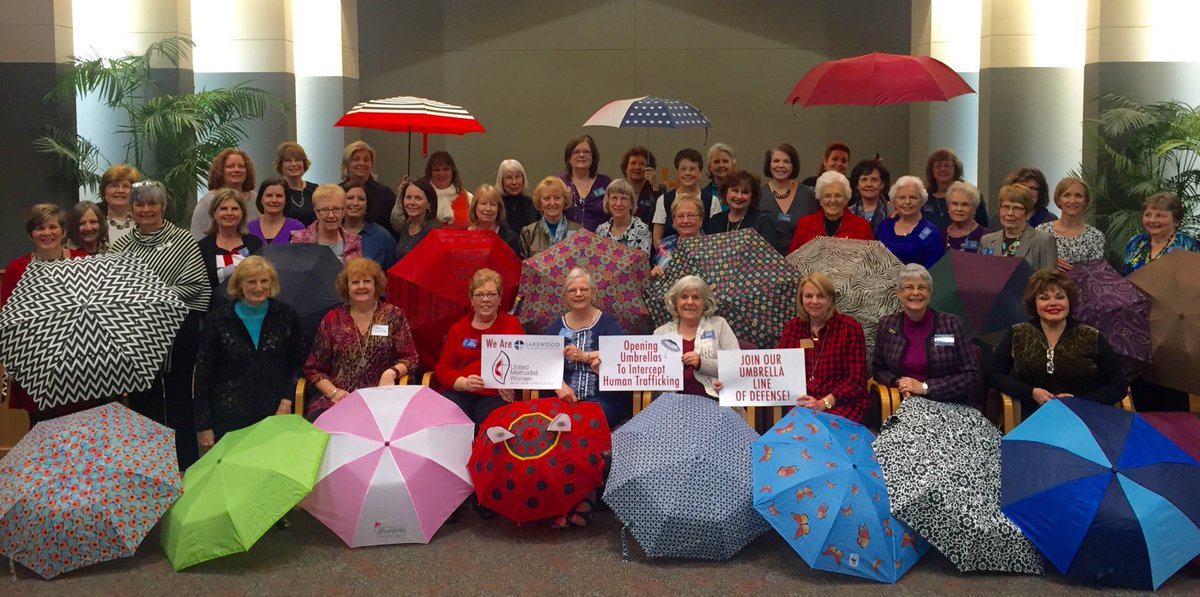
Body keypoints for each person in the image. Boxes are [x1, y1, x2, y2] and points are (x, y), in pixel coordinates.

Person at [112, 181, 210, 468]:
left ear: (163, 206)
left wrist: (150, 294)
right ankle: (151, 465)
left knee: (180, 394)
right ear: (132, 209)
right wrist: (147, 298)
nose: (146, 209)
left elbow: (195, 285)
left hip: (180, 328)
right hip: (137, 332)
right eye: (140, 204)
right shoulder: (121, 246)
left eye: (152, 203)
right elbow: (114, 290)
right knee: (144, 397)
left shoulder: (182, 240)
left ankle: (186, 464)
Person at [194, 256, 306, 448]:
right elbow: (204, 374)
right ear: (239, 284)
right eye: (251, 281)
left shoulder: (287, 315)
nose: (258, 287)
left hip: (276, 411)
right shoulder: (218, 319)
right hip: (229, 415)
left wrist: (286, 402)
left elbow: (297, 363)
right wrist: (203, 426)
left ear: (272, 283)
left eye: (264, 281)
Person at [988, 270, 1127, 415]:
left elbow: (1118, 385)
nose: (1053, 303)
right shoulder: (1018, 333)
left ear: (1069, 301)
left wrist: (1081, 402)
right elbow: (992, 374)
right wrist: (1031, 392)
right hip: (1033, 418)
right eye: (1044, 298)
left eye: (1060, 297)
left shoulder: (1090, 336)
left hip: (1083, 417)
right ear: (1034, 303)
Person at [1, 204, 90, 422]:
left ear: (63, 231)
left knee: (81, 428)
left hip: (79, 361)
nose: (47, 233)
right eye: (39, 228)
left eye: (53, 227)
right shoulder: (17, 269)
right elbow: (7, 317)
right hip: (36, 364)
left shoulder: (82, 261)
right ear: (31, 234)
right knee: (41, 426)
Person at [302, 258, 418, 420]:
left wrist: (391, 373)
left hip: (381, 398)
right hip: (339, 398)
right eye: (355, 282)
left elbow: (410, 358)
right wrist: (333, 392)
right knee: (322, 420)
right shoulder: (332, 319)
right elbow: (313, 368)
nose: (361, 286)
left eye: (367, 281)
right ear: (346, 287)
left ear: (376, 285)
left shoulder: (393, 315)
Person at [872, 264, 981, 405]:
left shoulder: (951, 324)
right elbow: (878, 370)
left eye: (922, 287)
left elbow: (971, 375)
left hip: (949, 404)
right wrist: (900, 383)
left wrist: (925, 387)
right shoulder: (887, 325)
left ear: (930, 293)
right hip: (904, 403)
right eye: (908, 287)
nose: (916, 293)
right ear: (898, 293)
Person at [774, 272, 868, 422]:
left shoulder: (850, 328)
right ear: (801, 299)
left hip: (841, 402)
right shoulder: (793, 327)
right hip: (802, 402)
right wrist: (800, 398)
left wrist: (824, 403)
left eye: (821, 296)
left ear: (830, 299)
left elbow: (855, 379)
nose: (814, 301)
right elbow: (779, 368)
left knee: (823, 432)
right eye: (809, 296)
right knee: (801, 430)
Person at [433, 268, 521, 424]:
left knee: (496, 420)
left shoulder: (511, 325)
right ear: (471, 299)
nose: (485, 299)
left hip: (496, 395)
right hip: (462, 392)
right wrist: (462, 383)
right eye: (479, 294)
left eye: (491, 294)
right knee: (446, 414)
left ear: (500, 298)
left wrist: (510, 383)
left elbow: (525, 363)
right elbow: (443, 368)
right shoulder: (458, 329)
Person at [545, 268, 628, 427]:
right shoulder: (557, 326)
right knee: (549, 422)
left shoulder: (608, 323)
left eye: (584, 289)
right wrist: (559, 386)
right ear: (565, 296)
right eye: (572, 290)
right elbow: (546, 363)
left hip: (602, 398)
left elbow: (620, 354)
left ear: (592, 292)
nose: (578, 294)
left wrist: (585, 356)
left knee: (583, 423)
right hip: (563, 397)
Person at [653, 275, 738, 399]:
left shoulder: (719, 325)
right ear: (675, 302)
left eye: (696, 297)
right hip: (670, 405)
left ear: (704, 303)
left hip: (714, 401)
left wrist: (702, 363)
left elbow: (736, 365)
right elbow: (651, 377)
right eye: (684, 297)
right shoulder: (660, 333)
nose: (690, 302)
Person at [197, 189, 263, 304]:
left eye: (234, 209)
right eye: (223, 209)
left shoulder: (254, 243)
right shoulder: (202, 248)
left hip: (251, 310)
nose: (229, 213)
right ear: (214, 213)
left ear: (242, 213)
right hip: (216, 315)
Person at [787, 170, 873, 253]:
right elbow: (793, 259)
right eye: (827, 196)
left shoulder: (862, 227)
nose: (832, 200)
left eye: (838, 196)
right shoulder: (805, 224)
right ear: (820, 199)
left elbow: (870, 262)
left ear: (846, 199)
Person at [652, 148, 722, 245]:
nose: (687, 173)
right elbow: (657, 236)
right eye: (683, 169)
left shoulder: (712, 201)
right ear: (677, 173)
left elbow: (717, 236)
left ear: (700, 173)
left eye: (692, 169)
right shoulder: (663, 200)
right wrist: (665, 256)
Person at [1119, 191, 1200, 275]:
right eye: (1148, 215)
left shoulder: (1189, 245)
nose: (1152, 220)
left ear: (1176, 220)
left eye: (1159, 216)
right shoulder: (1136, 241)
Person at [980, 183, 1058, 270]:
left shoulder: (1043, 240)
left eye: (1017, 208)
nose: (1010, 213)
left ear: (1027, 212)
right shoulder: (986, 241)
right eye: (1005, 207)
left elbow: (1049, 280)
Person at [760, 143, 819, 253]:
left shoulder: (807, 194)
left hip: (802, 260)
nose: (781, 165)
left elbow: (816, 230)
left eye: (786, 161)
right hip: (766, 261)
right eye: (776, 161)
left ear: (793, 165)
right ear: (769, 164)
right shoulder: (759, 195)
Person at [875, 175, 945, 268]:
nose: (907, 202)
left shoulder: (931, 232)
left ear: (921, 201)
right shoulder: (884, 226)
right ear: (894, 201)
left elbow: (934, 270)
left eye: (913, 197)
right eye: (902, 197)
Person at [1037, 177, 1105, 270]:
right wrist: (1048, 264)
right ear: (1058, 200)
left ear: (1085, 201)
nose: (1072, 201)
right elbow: (1031, 266)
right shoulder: (1041, 231)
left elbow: (1095, 274)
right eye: (1066, 195)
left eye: (1078, 196)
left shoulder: (1096, 236)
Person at [191, 148, 259, 239]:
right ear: (220, 171)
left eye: (241, 166)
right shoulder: (207, 202)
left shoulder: (255, 197)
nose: (236, 170)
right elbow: (197, 238)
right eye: (230, 166)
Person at [290, 184, 363, 263]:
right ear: (316, 213)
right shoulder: (299, 240)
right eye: (324, 210)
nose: (331, 215)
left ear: (343, 211)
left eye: (336, 209)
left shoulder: (354, 243)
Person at [341, 141, 397, 237]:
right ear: (347, 163)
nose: (362, 163)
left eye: (366, 160)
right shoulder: (338, 192)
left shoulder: (385, 193)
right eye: (356, 159)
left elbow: (394, 227)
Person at [704, 169, 775, 244]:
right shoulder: (715, 220)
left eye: (745, 192)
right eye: (735, 190)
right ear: (726, 192)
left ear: (753, 196)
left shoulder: (762, 222)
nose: (739, 196)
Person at [922, 148, 986, 229]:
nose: (942, 169)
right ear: (931, 170)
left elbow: (983, 227)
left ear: (955, 169)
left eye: (947, 165)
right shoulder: (923, 197)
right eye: (938, 166)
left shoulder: (971, 196)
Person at [520, 176, 582, 257]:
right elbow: (523, 267)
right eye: (547, 198)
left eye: (557, 198)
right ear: (540, 203)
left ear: (564, 201)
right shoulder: (528, 233)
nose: (552, 203)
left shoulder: (578, 231)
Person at [561, 134, 612, 232]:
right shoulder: (559, 183)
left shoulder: (605, 183)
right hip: (566, 243)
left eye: (586, 152)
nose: (581, 155)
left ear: (593, 157)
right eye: (576, 152)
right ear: (568, 157)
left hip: (600, 242)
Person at [342, 181, 396, 269]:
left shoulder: (382, 236)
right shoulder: (333, 232)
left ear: (367, 206)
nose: (355, 203)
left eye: (361, 199)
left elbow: (391, 274)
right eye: (350, 198)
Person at [651, 193, 705, 277]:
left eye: (691, 215)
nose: (686, 220)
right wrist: (654, 274)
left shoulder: (711, 247)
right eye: (680, 216)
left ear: (701, 219)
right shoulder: (664, 245)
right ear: (673, 220)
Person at [595, 178, 652, 256]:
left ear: (632, 203)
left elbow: (642, 264)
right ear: (608, 202)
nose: (618, 203)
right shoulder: (601, 230)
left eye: (624, 198)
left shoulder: (642, 229)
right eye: (614, 198)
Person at [467, 184, 522, 258]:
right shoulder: (465, 237)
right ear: (475, 207)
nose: (488, 208)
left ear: (499, 209)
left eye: (493, 204)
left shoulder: (510, 238)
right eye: (483, 203)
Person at [392, 178, 438, 262]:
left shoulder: (433, 230)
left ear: (429, 204)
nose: (412, 202)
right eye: (408, 197)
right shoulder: (406, 226)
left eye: (418, 198)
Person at [249, 177, 305, 245]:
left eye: (279, 196)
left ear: (286, 200)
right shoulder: (249, 228)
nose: (274, 200)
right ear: (261, 199)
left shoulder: (297, 228)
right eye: (269, 195)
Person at [275, 141, 318, 226]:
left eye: (298, 160)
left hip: (312, 238)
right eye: (288, 160)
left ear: (304, 163)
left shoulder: (315, 190)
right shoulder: (276, 191)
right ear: (280, 165)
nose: (294, 164)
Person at [427, 150, 473, 229]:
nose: (441, 174)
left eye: (445, 169)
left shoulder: (468, 197)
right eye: (436, 170)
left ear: (453, 171)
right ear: (430, 173)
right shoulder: (423, 197)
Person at [97, 164, 140, 247]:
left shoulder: (144, 216)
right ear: (104, 191)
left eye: (126, 186)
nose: (120, 190)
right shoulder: (93, 217)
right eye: (114, 186)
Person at [943, 181, 990, 253]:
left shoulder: (986, 237)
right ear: (948, 207)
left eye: (965, 204)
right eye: (955, 204)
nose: (959, 209)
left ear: (975, 208)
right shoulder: (938, 235)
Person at [847, 159, 892, 233]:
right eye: (864, 179)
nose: (869, 184)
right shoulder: (848, 213)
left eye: (874, 179)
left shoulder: (893, 211)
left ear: (882, 184)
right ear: (857, 185)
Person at [496, 159, 539, 234]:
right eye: (509, 178)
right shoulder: (495, 206)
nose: (514, 182)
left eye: (517, 177)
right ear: (501, 181)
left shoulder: (532, 204)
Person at [621, 146, 659, 225]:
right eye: (633, 163)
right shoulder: (618, 189)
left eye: (642, 164)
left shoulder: (657, 189)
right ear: (625, 168)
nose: (637, 167)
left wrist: (655, 189)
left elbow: (659, 216)